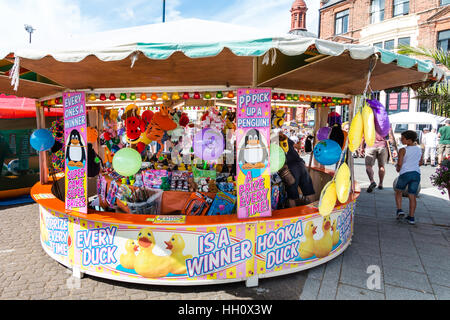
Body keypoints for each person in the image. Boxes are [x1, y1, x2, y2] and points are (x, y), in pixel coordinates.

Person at [394, 130, 423, 225]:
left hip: (405, 173)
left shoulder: (403, 150)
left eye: (403, 138)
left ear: (409, 140)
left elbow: (400, 163)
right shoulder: (419, 149)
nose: (401, 140)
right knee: (412, 195)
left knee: (398, 191)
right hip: (416, 173)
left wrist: (398, 168)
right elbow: (420, 162)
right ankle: (411, 217)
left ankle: (399, 209)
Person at [279, 132, 315, 207]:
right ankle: (314, 210)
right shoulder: (285, 138)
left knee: (292, 195)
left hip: (290, 168)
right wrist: (300, 141)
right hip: (301, 165)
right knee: (309, 190)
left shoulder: (272, 141)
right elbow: (298, 147)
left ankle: (293, 214)